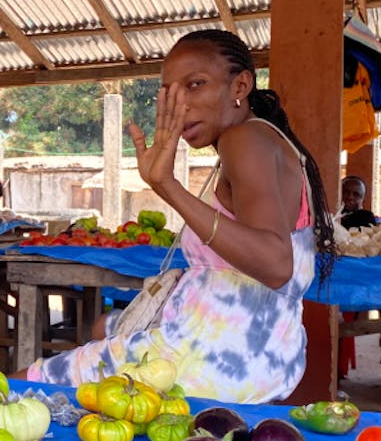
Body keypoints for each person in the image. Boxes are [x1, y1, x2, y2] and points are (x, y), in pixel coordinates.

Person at [20, 29, 337, 404]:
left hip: (211, 357)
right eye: (169, 92)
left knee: (18, 388)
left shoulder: (243, 140)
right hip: (266, 354)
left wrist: (166, 185)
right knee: (104, 326)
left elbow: (275, 263)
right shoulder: (265, 141)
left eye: (195, 85)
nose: (180, 104)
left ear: (240, 85)